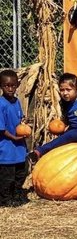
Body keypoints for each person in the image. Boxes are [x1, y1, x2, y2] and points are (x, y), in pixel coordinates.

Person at [28, 73, 77, 163]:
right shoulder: (68, 103)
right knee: (63, 137)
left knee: (70, 135)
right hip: (75, 130)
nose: (65, 93)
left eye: (68, 90)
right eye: (62, 90)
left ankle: (39, 151)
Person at [0, 70, 28, 206]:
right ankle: (5, 199)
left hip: (19, 146)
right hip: (7, 147)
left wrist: (24, 123)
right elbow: (1, 129)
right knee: (7, 176)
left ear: (17, 85)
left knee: (21, 172)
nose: (10, 89)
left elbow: (19, 119)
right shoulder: (1, 104)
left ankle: (17, 194)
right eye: (7, 86)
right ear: (1, 86)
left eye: (13, 85)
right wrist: (14, 138)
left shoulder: (17, 102)